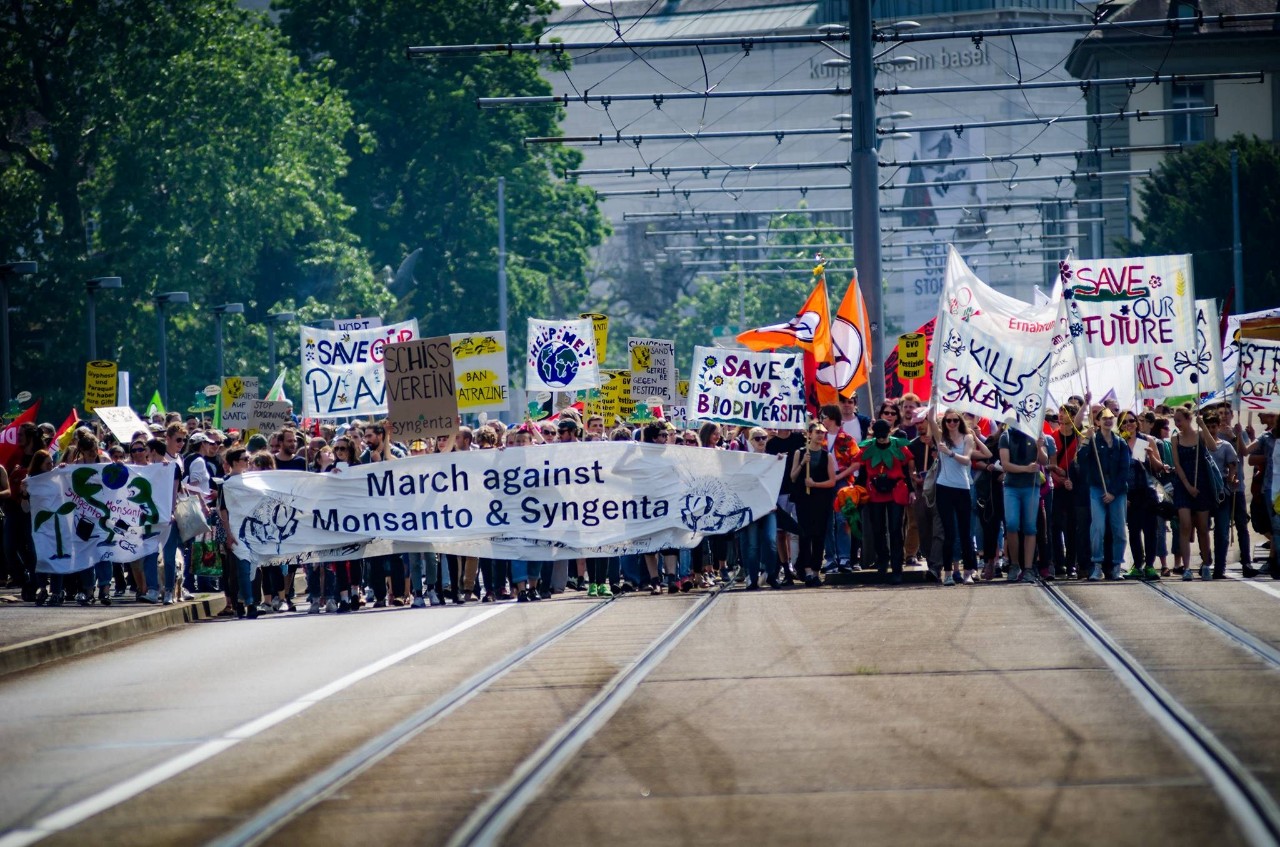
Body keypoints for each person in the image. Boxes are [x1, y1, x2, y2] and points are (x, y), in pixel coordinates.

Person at [927, 408, 989, 585]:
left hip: (962, 487)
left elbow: (967, 460)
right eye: (948, 421)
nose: (952, 423)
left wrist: (950, 453)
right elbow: (931, 419)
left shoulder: (967, 437)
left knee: (965, 533)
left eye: (955, 420)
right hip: (944, 487)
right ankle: (947, 573)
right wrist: (934, 394)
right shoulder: (941, 437)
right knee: (949, 532)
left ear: (960, 422)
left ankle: (968, 572)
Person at [1076, 408, 1132, 581]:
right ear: (1098, 421)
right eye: (1104, 418)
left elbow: (1125, 470)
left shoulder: (1120, 442)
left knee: (1119, 529)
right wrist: (1087, 439)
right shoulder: (1092, 440)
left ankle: (1116, 565)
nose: (1108, 421)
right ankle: (1097, 565)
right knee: (1098, 527)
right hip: (1097, 488)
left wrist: (1113, 492)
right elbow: (1081, 460)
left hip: (1116, 490)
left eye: (1111, 418)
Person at [860, 419, 911, 583]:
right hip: (875, 491)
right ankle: (883, 561)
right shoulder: (867, 447)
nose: (882, 439)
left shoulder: (899, 446)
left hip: (896, 489)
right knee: (877, 528)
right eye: (879, 435)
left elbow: (907, 469)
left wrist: (910, 490)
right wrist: (857, 491)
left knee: (896, 529)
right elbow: (860, 471)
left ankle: (897, 568)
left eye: (884, 435)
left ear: (890, 432)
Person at [1170, 406, 1216, 581]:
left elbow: (1213, 447)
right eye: (1175, 421)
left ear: (1188, 419)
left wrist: (1203, 425)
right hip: (1184, 485)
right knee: (1185, 524)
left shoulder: (1200, 435)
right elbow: (1177, 464)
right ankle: (1187, 567)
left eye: (1179, 420)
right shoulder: (1175, 438)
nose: (1177, 424)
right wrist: (1187, 486)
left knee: (1203, 528)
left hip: (1202, 484)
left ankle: (1206, 564)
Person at [790, 422, 838, 588]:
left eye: (822, 433)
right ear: (809, 434)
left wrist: (815, 484)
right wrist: (803, 462)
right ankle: (807, 569)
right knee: (805, 535)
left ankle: (816, 570)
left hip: (821, 500)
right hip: (804, 500)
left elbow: (832, 481)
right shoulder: (800, 452)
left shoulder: (827, 456)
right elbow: (793, 477)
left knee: (819, 535)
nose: (820, 435)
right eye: (817, 432)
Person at [1000, 416, 1046, 583]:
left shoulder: (1035, 435)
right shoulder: (1006, 436)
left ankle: (1028, 568)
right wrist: (1026, 469)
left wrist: (1039, 448)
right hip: (1012, 486)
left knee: (1030, 527)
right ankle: (1014, 564)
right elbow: (1005, 465)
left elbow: (1044, 461)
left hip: (1031, 487)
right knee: (1011, 524)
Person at [218, 447, 258, 618]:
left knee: (253, 566)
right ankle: (250, 603)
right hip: (236, 528)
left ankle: (241, 600)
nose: (248, 461)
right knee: (243, 565)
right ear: (235, 462)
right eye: (245, 458)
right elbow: (223, 510)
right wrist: (228, 533)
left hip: (253, 529)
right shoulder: (226, 483)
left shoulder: (252, 480)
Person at [1204, 413, 1242, 580]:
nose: (1211, 430)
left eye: (1214, 426)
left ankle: (1220, 567)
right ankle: (1207, 562)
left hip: (1222, 493)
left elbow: (1233, 465)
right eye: (1208, 427)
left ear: (1218, 427)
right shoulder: (1199, 445)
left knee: (1222, 531)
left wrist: (1233, 478)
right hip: (1204, 493)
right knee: (1203, 530)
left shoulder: (1225, 446)